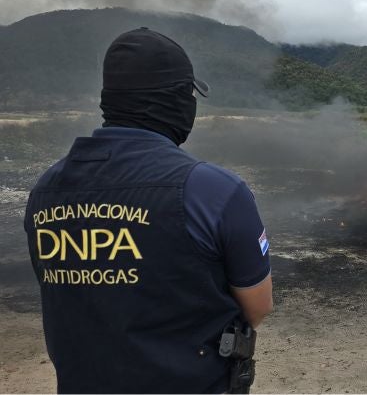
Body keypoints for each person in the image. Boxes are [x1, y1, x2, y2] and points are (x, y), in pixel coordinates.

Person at [24, 27, 273, 393]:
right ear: (176, 99)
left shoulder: (47, 189)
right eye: (188, 93)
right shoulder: (214, 190)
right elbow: (258, 307)